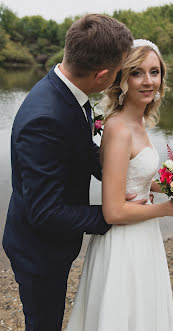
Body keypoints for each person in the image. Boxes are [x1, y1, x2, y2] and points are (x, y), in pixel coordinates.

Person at [2, 14, 148, 331]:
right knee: (44, 323)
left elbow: (81, 153)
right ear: (102, 76)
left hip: (53, 242)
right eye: (122, 69)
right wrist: (114, 214)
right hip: (37, 251)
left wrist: (131, 176)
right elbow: (45, 212)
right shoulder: (45, 120)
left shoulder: (70, 91)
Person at [66, 39, 173, 331]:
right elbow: (113, 212)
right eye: (137, 72)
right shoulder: (120, 128)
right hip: (123, 241)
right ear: (121, 78)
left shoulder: (138, 121)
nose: (149, 81)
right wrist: (169, 210)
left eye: (155, 72)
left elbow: (137, 176)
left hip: (142, 233)